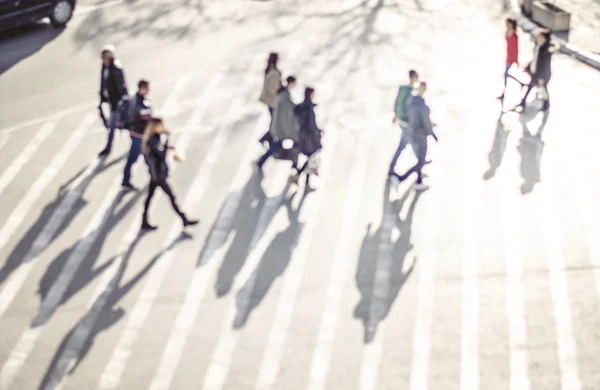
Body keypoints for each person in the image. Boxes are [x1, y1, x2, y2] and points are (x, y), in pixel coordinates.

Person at [141, 117, 198, 230]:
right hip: (158, 176)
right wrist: (166, 140)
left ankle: (144, 221)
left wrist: (166, 145)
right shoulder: (153, 140)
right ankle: (184, 219)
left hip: (155, 174)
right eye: (160, 126)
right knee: (171, 197)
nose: (162, 128)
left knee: (149, 198)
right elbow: (160, 155)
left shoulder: (152, 139)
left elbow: (158, 152)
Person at [392, 82, 437, 190]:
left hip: (411, 132)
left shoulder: (410, 100)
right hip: (420, 136)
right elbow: (426, 124)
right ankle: (401, 178)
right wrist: (433, 134)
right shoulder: (423, 107)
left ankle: (419, 179)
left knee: (420, 158)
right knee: (421, 161)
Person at [256, 76, 298, 171]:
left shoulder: (283, 93)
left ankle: (262, 158)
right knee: (277, 145)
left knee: (277, 144)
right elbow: (288, 107)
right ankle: (261, 161)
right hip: (281, 125)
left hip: (279, 124)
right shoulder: (284, 95)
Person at [98, 45, 128, 157]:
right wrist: (102, 97)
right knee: (117, 124)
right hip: (110, 101)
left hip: (117, 102)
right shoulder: (104, 67)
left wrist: (122, 103)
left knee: (114, 125)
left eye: (105, 57)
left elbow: (121, 87)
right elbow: (103, 82)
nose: (103, 60)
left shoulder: (116, 69)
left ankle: (108, 147)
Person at [122, 79, 152, 190]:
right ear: (142, 88)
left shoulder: (133, 99)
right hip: (139, 135)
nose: (149, 90)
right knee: (135, 158)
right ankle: (126, 181)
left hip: (135, 133)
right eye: (147, 88)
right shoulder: (141, 105)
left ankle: (154, 176)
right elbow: (148, 120)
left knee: (146, 157)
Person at [389, 69, 419, 176]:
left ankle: (420, 164)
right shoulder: (412, 91)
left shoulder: (402, 89)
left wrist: (395, 115)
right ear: (413, 78)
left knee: (410, 142)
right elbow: (410, 108)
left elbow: (397, 102)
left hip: (401, 120)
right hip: (406, 122)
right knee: (404, 144)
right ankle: (392, 167)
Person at [517, 29, 556, 108]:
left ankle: (546, 104)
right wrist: (528, 67)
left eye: (540, 36)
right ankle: (523, 102)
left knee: (543, 90)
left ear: (544, 38)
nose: (538, 37)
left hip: (542, 75)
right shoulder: (538, 46)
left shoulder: (546, 49)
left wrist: (542, 77)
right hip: (535, 73)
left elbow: (545, 65)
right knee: (530, 87)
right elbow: (535, 59)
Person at [294, 87, 322, 190]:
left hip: (301, 136)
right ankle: (301, 178)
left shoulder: (300, 107)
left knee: (309, 158)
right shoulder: (309, 110)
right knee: (311, 157)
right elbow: (312, 126)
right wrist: (317, 142)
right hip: (309, 138)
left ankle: (302, 178)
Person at [258, 52, 282, 146]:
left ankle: (269, 138)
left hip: (270, 101)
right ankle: (266, 138)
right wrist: (280, 88)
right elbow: (273, 89)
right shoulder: (274, 73)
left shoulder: (269, 70)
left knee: (274, 121)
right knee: (276, 122)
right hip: (273, 101)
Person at [498, 18, 519, 100]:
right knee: (506, 74)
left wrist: (516, 59)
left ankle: (504, 92)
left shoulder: (514, 35)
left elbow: (516, 48)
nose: (506, 25)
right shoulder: (507, 32)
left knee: (506, 74)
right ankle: (504, 92)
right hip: (508, 57)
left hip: (512, 58)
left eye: (508, 23)